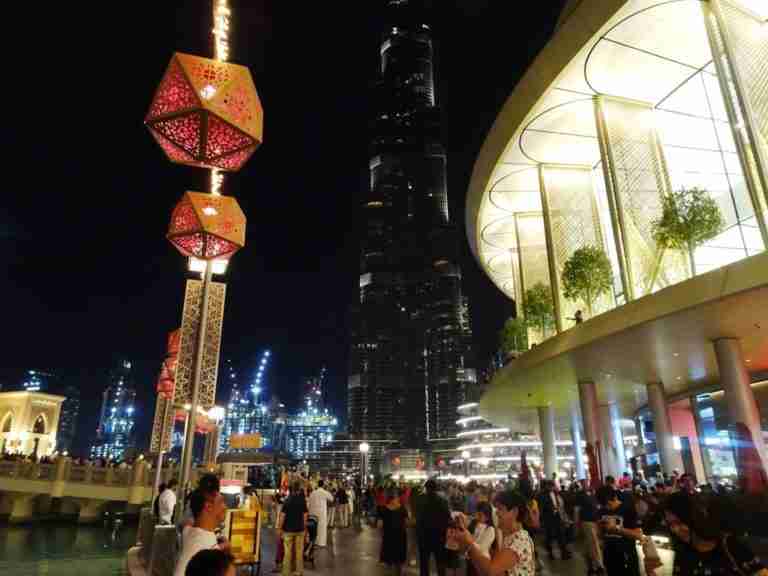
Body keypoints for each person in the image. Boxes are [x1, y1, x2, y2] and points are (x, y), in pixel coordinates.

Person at [664, 492, 767, 576]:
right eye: (670, 524)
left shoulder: (730, 545)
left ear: (694, 518)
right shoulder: (681, 552)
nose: (675, 529)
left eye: (679, 522)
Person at [454, 490, 535, 576]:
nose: (496, 512)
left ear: (514, 512)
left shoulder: (519, 540)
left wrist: (469, 544)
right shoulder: (511, 536)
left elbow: (490, 571)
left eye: (500, 508)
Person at [174, 487, 228, 576]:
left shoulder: (188, 532)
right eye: (221, 502)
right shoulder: (209, 549)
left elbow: (186, 524)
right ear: (208, 506)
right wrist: (224, 547)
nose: (225, 507)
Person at [596, 486, 642, 576]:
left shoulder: (628, 509)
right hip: (610, 556)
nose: (608, 508)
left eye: (610, 504)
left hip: (627, 556)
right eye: (605, 505)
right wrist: (600, 529)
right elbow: (601, 535)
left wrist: (616, 529)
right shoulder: (602, 511)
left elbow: (638, 535)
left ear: (615, 497)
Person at [417, 479, 452, 576]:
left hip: (423, 537)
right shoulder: (442, 501)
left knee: (424, 563)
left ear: (426, 488)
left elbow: (417, 517)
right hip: (439, 537)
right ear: (436, 488)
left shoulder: (420, 499)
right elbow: (448, 517)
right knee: (440, 563)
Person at [278, 480, 308, 576]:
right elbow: (305, 515)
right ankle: (299, 572)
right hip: (300, 529)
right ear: (298, 490)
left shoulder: (287, 501)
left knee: (287, 553)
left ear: (290, 490)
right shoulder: (302, 500)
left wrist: (279, 528)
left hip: (288, 530)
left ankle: (286, 572)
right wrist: (304, 527)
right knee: (299, 552)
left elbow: (282, 516)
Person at [575, 480, 605, 576]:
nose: (587, 485)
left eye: (587, 483)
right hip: (587, 522)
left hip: (593, 521)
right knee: (594, 544)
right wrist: (577, 524)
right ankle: (599, 565)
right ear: (581, 485)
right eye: (585, 484)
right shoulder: (580, 496)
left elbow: (596, 506)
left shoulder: (591, 494)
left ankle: (591, 566)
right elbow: (577, 510)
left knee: (588, 545)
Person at [538, 480, 572, 560]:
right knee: (549, 536)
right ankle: (550, 553)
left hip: (557, 516)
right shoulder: (542, 495)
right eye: (550, 486)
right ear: (546, 486)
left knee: (561, 534)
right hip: (548, 518)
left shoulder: (556, 493)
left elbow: (559, 503)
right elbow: (541, 508)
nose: (552, 487)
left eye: (553, 486)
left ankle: (563, 552)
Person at [380, 488, 408, 575]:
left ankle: (390, 569)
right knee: (399, 557)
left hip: (388, 535)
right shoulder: (402, 508)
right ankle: (397, 572)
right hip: (400, 535)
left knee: (389, 555)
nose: (398, 499)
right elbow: (407, 522)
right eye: (397, 497)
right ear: (395, 498)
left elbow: (380, 525)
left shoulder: (384, 509)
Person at [465, 502, 496, 576]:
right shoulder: (473, 524)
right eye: (477, 514)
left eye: (480, 515)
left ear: (487, 516)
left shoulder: (490, 529)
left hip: (481, 561)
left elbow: (482, 548)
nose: (477, 517)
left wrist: (469, 541)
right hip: (470, 559)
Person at [308, 480, 334, 547]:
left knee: (314, 528)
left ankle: (315, 541)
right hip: (322, 513)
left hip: (313, 513)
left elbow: (309, 502)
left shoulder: (313, 492)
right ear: (323, 485)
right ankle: (321, 543)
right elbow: (331, 498)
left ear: (317, 485)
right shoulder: (324, 492)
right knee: (322, 528)